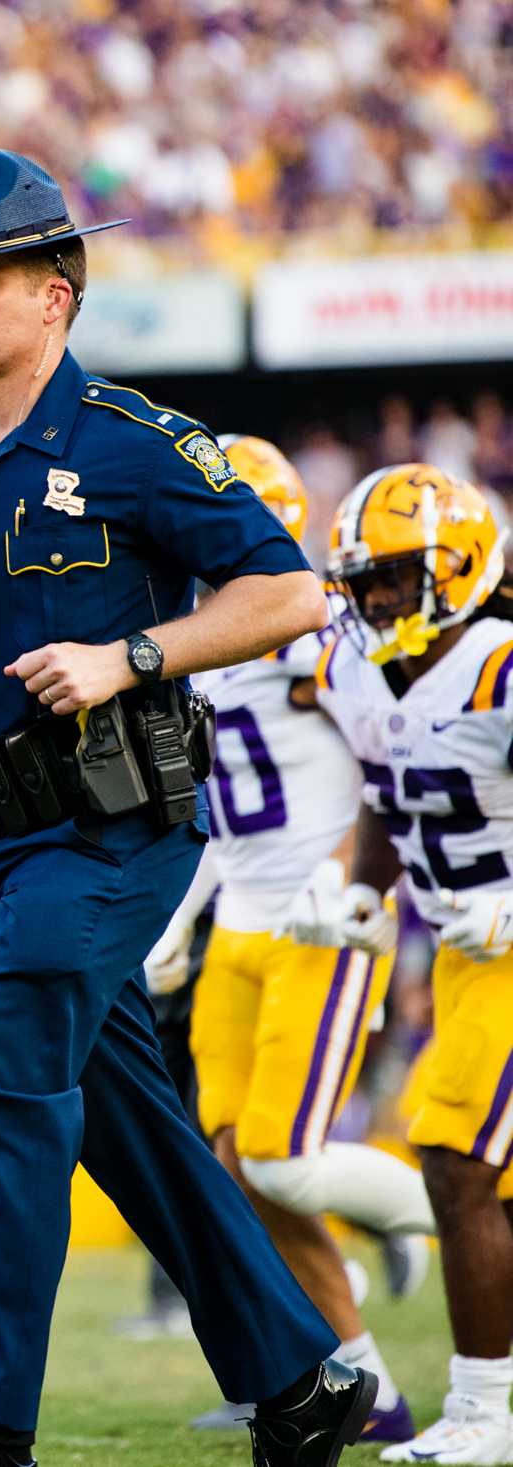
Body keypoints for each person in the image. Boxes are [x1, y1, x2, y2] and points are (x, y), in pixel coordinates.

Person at [0, 151, 370, 1467]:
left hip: (115, 831)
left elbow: (289, 592)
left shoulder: (133, 442)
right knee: (126, 1115)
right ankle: (301, 1381)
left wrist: (136, 656)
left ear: (55, 292)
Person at [146, 436, 433, 1445]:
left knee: (277, 1160)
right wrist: (179, 919)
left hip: (325, 917)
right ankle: (366, 1387)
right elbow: (224, 822)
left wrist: (346, 879)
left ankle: (444, 1214)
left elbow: (390, 755)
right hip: (245, 922)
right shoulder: (194, 643)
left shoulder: (316, 632)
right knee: (231, 1170)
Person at [310, 464, 513, 1465]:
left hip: (508, 944)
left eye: (393, 578)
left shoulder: (500, 664)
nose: (375, 599)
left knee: (456, 1163)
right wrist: (362, 886)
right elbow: (389, 786)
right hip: (467, 956)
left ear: (462, 564)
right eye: (364, 580)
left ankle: (483, 1411)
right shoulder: (353, 667)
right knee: (487, 1178)